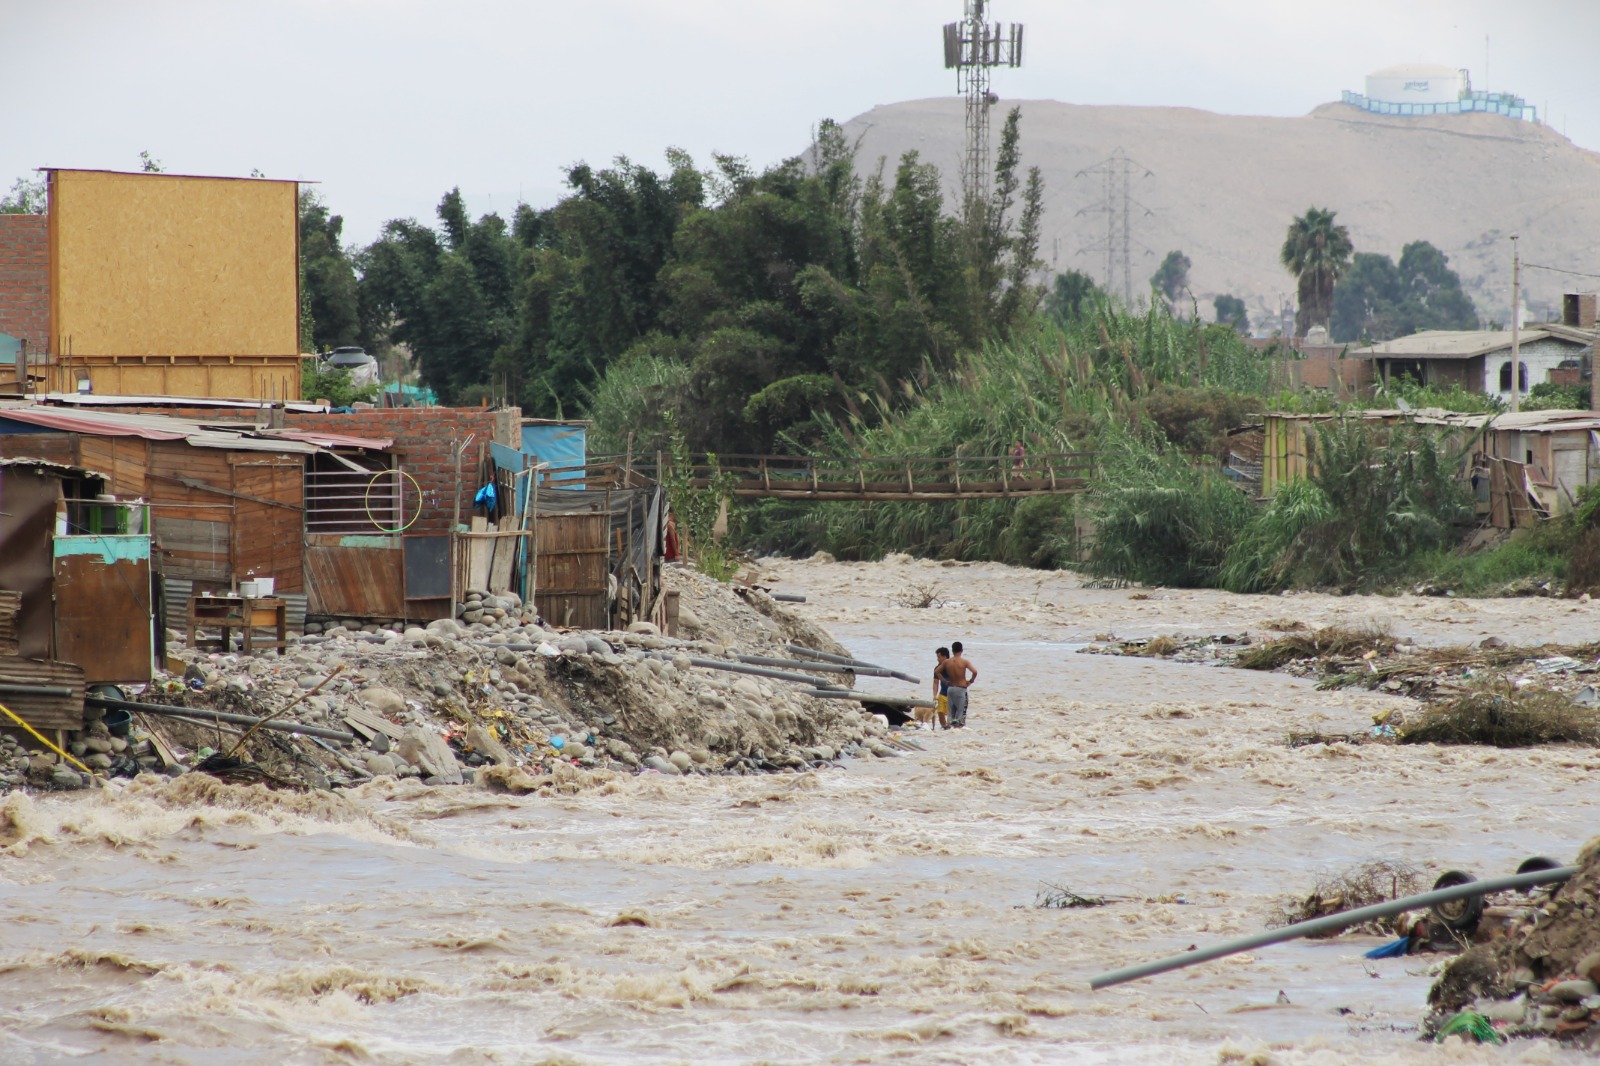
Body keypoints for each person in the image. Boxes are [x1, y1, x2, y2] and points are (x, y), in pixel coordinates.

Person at [939, 640, 977, 728]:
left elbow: (937, 672)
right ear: (962, 650)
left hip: (951, 688)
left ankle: (949, 730)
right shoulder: (964, 662)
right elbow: (975, 671)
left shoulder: (947, 662)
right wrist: (971, 681)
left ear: (952, 650)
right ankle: (958, 732)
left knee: (951, 714)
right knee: (960, 715)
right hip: (961, 689)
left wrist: (945, 681)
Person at [932, 646, 951, 729]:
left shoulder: (952, 666)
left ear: (945, 657)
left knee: (951, 715)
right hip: (942, 694)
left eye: (939, 657)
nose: (938, 659)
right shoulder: (937, 669)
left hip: (952, 694)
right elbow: (936, 682)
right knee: (940, 713)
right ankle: (944, 728)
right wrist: (934, 695)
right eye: (937, 657)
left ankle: (951, 727)